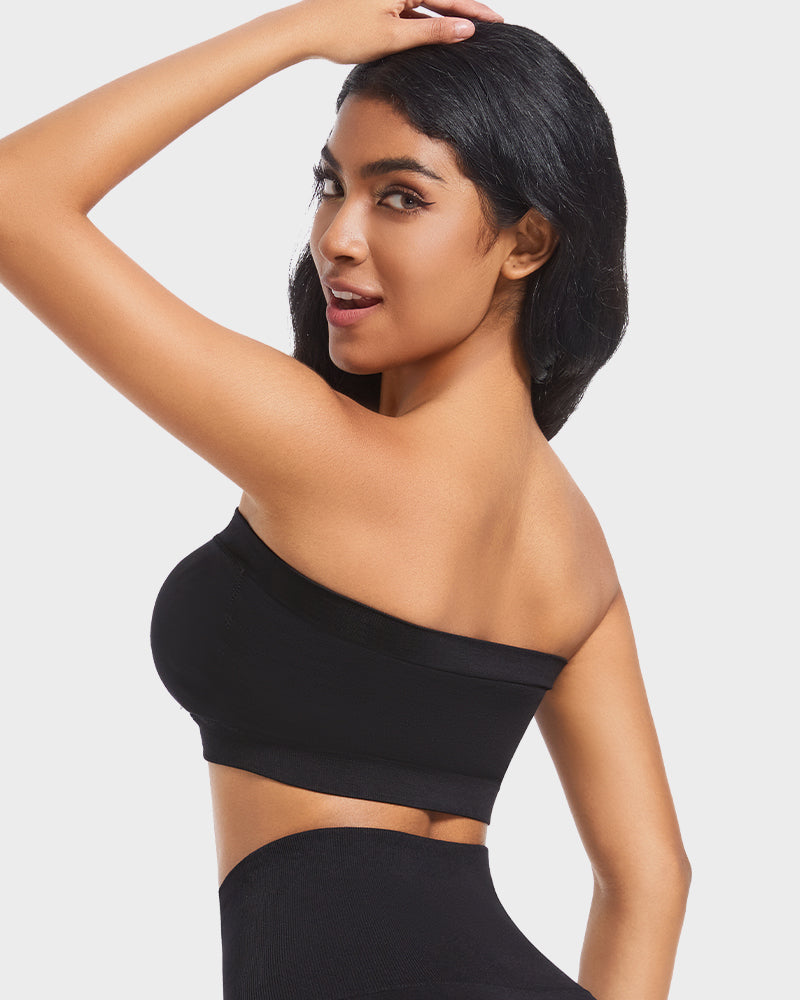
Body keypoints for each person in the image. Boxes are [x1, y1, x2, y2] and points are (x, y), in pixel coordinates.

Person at [0, 1, 692, 998]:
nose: (337, 236)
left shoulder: (323, 454)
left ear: (526, 241)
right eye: (331, 186)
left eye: (400, 198)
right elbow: (650, 877)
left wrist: (297, 31)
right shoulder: (574, 547)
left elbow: (15, 198)